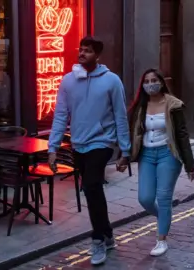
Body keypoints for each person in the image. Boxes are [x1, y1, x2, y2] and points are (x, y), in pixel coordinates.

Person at [47, 36, 131, 265]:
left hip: (102, 143)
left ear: (98, 55)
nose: (82, 53)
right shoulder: (67, 81)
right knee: (94, 191)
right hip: (78, 144)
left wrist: (125, 150)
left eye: (88, 50)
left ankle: (97, 240)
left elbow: (120, 116)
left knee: (92, 185)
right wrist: (52, 147)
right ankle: (108, 232)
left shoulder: (112, 81)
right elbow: (60, 116)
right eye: (81, 49)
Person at [128, 68, 194, 256]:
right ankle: (164, 217)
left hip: (168, 154)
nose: (151, 84)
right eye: (147, 81)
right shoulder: (140, 106)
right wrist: (125, 156)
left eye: (154, 80)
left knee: (164, 197)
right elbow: (133, 133)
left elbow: (182, 135)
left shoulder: (173, 105)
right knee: (145, 198)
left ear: (161, 82)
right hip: (147, 156)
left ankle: (161, 240)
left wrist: (190, 165)